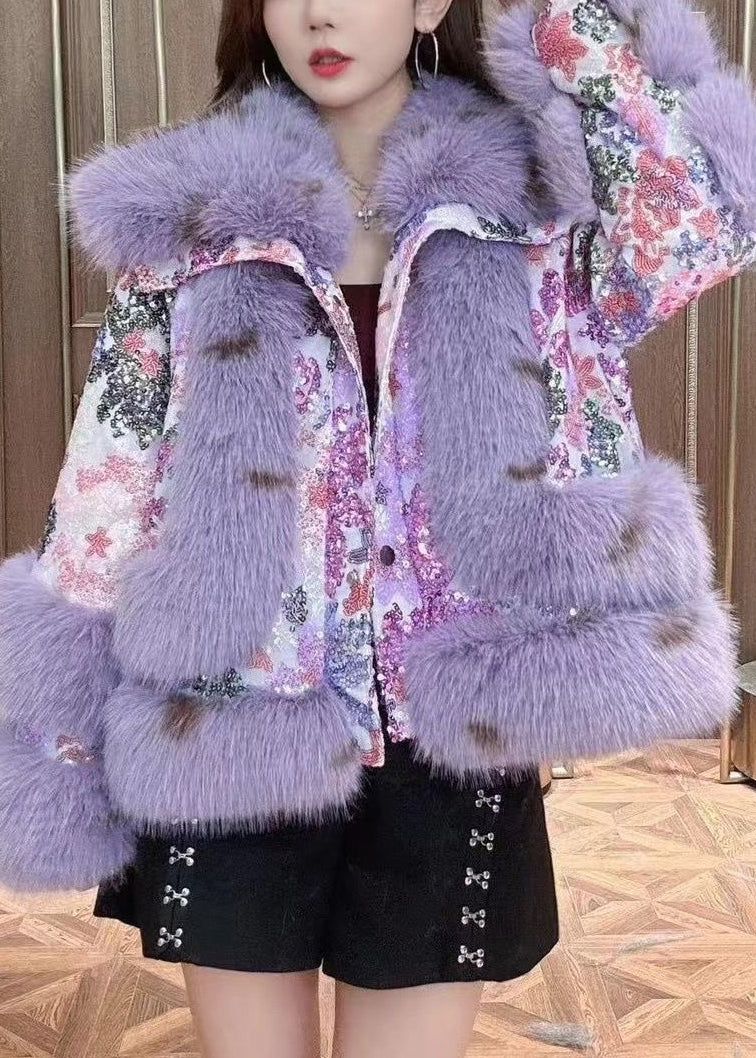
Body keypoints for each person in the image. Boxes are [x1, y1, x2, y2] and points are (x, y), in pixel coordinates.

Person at [0, 0, 755, 1054]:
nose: (320, 12)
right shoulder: (189, 217)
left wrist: (567, 22)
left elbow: (701, 228)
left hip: (448, 728)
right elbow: (108, 480)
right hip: (232, 722)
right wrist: (57, 745)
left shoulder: (538, 206)